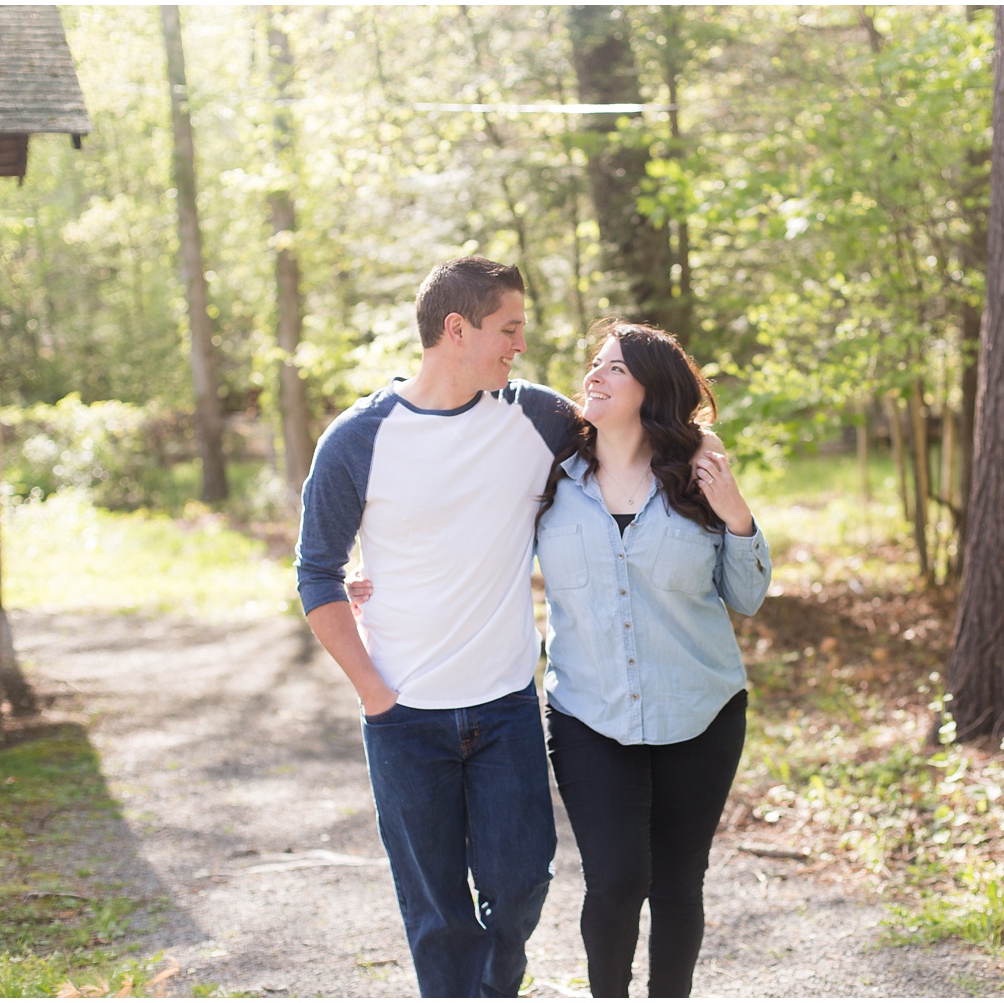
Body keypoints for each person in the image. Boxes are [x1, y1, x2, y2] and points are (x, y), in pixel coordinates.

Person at [351, 319, 771, 997]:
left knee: (678, 880)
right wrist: (374, 578)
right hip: (589, 714)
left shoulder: (699, 475)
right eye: (595, 365)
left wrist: (737, 512)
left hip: (702, 709)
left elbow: (746, 596)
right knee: (616, 878)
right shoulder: (551, 472)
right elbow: (466, 529)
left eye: (614, 369)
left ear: (649, 390)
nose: (593, 377)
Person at [294, 256, 580, 998]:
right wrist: (373, 693)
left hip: (506, 708)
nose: (518, 345)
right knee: (437, 916)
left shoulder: (537, 418)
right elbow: (316, 574)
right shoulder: (358, 439)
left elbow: (626, 442)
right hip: (404, 721)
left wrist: (702, 457)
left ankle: (497, 984)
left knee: (519, 888)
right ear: (457, 329)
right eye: (508, 330)